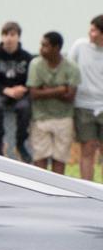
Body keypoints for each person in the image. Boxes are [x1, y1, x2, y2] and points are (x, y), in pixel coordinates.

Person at [27, 31, 80, 175]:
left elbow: (70, 96)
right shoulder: (36, 64)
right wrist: (60, 89)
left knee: (59, 158)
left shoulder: (71, 67)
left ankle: (57, 191)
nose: (41, 49)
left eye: (45, 46)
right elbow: (34, 93)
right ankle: (40, 190)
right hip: (41, 117)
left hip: (64, 117)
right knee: (40, 156)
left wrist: (46, 89)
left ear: (56, 48)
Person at [0, 21, 34, 162]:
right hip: (0, 91)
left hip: (20, 93)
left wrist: (23, 88)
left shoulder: (27, 57)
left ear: (18, 37)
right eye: (5, 34)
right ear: (1, 37)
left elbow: (32, 78)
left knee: (25, 108)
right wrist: (5, 90)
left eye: (12, 35)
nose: (9, 38)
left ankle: (20, 143)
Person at [69, 14, 103, 182]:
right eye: (91, 29)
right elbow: (69, 70)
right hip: (83, 106)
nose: (91, 33)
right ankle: (88, 190)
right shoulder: (79, 46)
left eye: (95, 30)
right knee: (87, 148)